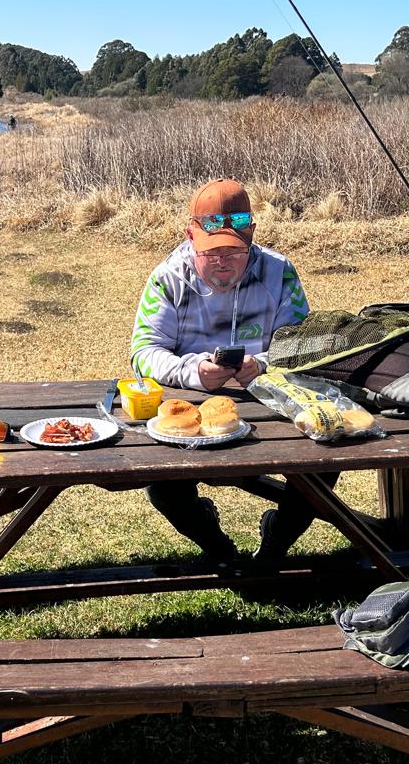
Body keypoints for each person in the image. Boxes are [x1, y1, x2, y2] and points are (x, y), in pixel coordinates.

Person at [130, 178, 335, 564]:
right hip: (189, 408)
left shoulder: (280, 272)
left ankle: (277, 541)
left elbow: (306, 346)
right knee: (164, 485)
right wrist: (192, 371)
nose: (221, 261)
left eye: (233, 252)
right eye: (209, 252)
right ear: (190, 236)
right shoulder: (167, 277)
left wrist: (262, 364)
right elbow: (143, 352)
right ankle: (216, 545)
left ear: (252, 236)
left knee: (324, 466)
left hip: (272, 402)